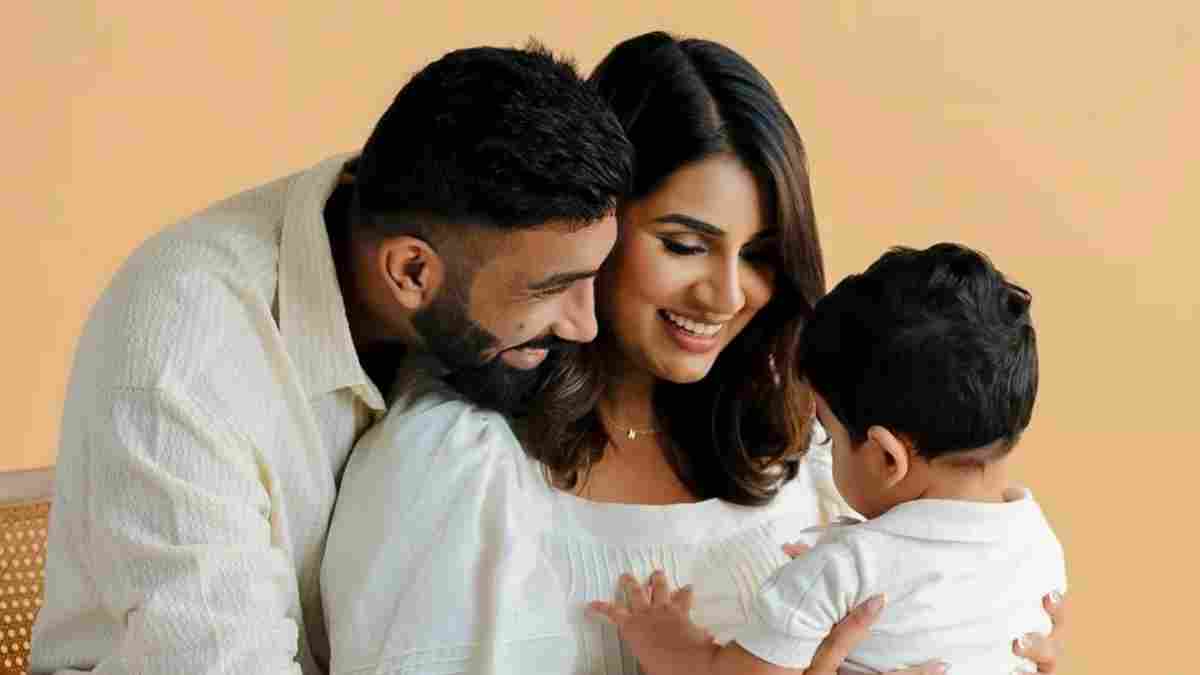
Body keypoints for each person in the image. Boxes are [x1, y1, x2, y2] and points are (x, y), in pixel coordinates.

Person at [322, 33, 1063, 675]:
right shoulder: (456, 467)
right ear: (593, 223)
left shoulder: (805, 452)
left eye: (761, 254)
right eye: (683, 244)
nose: (727, 294)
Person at [30, 43, 633, 675]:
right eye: (551, 289)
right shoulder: (185, 350)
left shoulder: (430, 230)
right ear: (411, 271)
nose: (585, 323)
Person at [590, 243, 1067, 675]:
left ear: (885, 457)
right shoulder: (1039, 547)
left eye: (830, 435)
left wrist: (665, 638)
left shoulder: (848, 568)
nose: (824, 446)